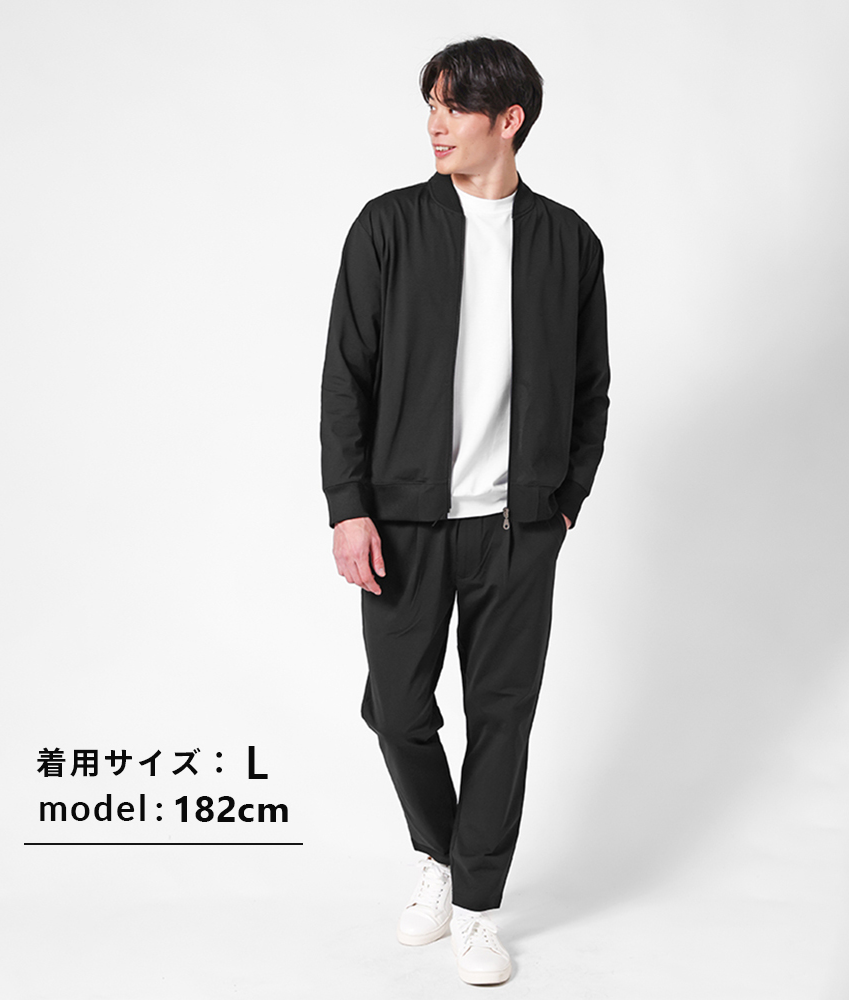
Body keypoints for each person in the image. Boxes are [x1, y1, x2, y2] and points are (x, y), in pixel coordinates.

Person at [320, 36, 610, 986]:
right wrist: (349, 507)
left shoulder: (568, 242)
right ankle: (440, 857)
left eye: (454, 107)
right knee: (398, 708)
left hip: (519, 530)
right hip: (404, 524)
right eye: (432, 106)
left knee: (502, 717)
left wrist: (565, 504)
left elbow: (591, 386)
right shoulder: (389, 227)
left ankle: (478, 908)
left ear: (509, 120)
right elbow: (346, 378)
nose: (435, 124)